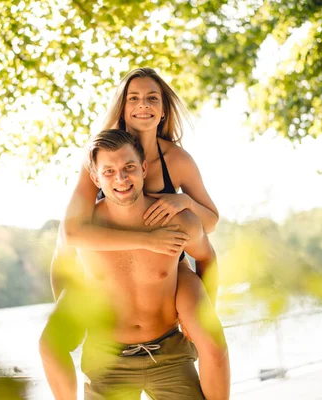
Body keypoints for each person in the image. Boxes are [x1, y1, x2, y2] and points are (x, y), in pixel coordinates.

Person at [50, 68, 226, 398]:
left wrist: (183, 200)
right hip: (114, 270)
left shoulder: (176, 158)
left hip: (168, 267)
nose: (142, 105)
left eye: (152, 99)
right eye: (133, 98)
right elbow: (71, 234)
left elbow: (210, 222)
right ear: (122, 106)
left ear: (163, 110)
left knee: (212, 342)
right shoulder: (102, 154)